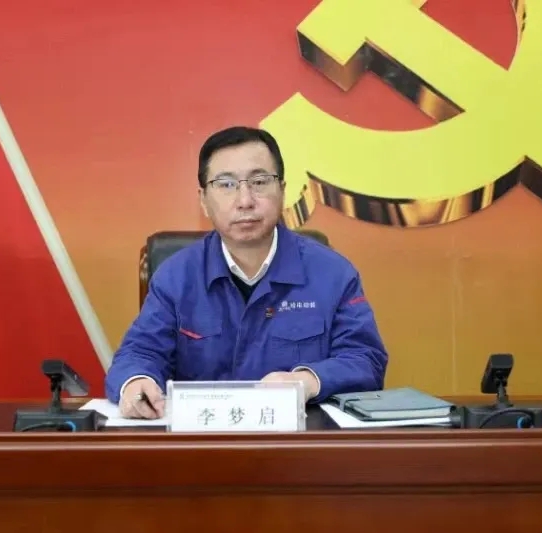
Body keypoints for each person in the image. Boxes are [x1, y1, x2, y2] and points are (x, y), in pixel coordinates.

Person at [105, 126, 388, 419]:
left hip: (299, 441)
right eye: (226, 184)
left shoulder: (333, 273)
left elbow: (365, 360)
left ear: (282, 190)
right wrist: (137, 381)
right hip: (204, 441)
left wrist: (306, 382)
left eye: (259, 182)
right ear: (203, 200)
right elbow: (139, 353)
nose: (245, 200)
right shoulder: (175, 277)